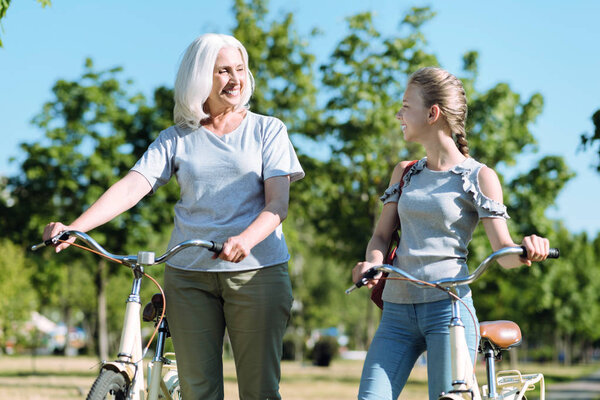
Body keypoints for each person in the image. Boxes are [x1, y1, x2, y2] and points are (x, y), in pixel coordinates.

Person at [43, 33, 304, 400]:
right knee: (198, 392)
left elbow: (277, 204)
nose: (235, 78)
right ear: (200, 77)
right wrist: (76, 227)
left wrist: (245, 240)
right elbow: (133, 186)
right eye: (223, 71)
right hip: (188, 277)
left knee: (259, 391)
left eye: (240, 69)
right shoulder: (177, 137)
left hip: (255, 273)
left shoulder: (267, 130)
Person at [351, 66, 551, 400]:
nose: (398, 114)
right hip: (396, 313)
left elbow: (504, 253)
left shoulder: (478, 177)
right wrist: (371, 263)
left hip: (450, 311)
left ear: (433, 113)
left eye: (405, 106)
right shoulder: (404, 173)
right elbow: (381, 238)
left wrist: (530, 248)